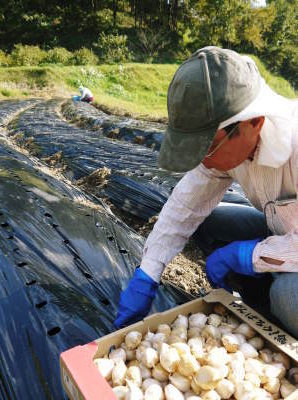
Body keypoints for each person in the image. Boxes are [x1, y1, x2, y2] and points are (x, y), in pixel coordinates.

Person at [114, 46, 298, 338]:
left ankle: (276, 301)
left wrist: (249, 255)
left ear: (254, 122)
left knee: (289, 296)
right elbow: (184, 206)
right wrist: (147, 273)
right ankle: (260, 299)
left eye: (208, 147)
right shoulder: (228, 150)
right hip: (283, 230)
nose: (203, 161)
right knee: (211, 223)